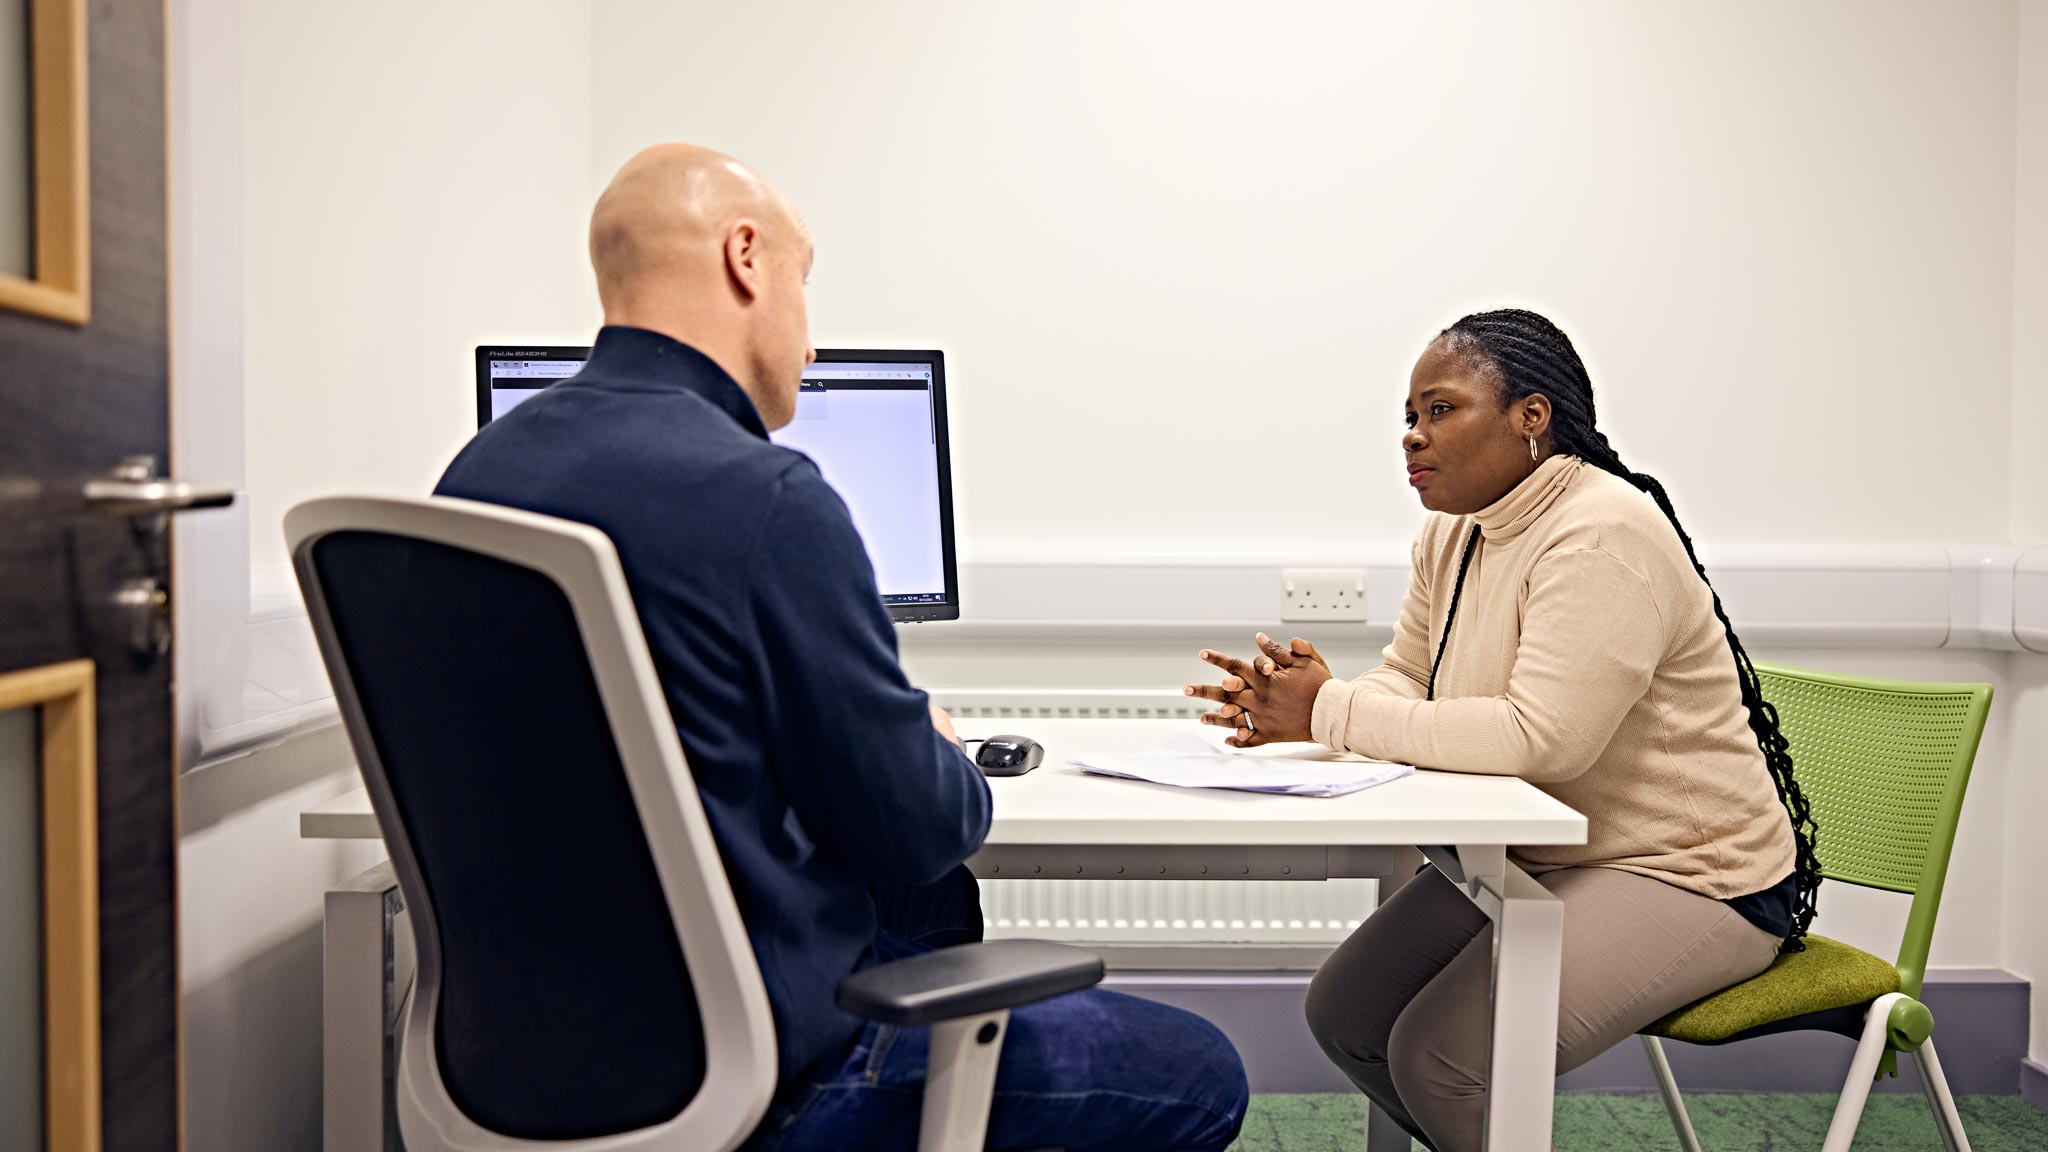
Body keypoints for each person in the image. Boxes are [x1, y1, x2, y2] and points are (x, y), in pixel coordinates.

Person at [437, 144, 1247, 1152]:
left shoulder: (476, 476)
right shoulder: (765, 494)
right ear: (744, 257)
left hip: (521, 1055)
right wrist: (930, 743)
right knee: (1199, 1071)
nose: (810, 339)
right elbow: (922, 824)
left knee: (923, 903)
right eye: (804, 280)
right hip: (754, 1071)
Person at [1185, 308, 1822, 1152]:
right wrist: (1304, 710)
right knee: (1346, 1015)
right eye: (1410, 417)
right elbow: (1410, 675)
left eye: (1441, 409)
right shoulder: (1454, 531)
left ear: (1532, 416)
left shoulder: (1602, 533)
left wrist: (1330, 711)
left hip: (1691, 875)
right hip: (1549, 853)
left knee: (1446, 1059)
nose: (1413, 435)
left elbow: (1541, 740)